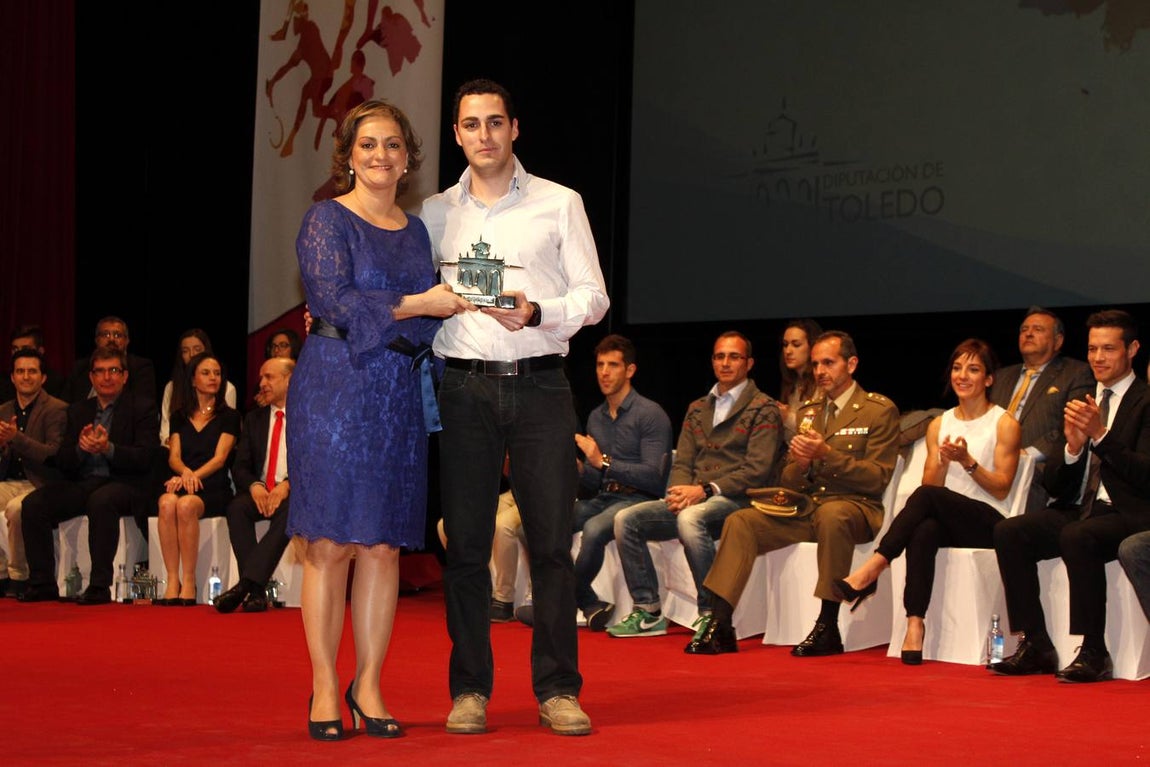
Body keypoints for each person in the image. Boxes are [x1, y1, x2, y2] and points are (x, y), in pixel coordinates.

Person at [419, 78, 609, 736]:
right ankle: (469, 687)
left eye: (495, 123)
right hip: (464, 387)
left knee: (550, 543)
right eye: (471, 125)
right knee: (467, 546)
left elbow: (594, 296)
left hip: (541, 383)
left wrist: (539, 310)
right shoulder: (434, 213)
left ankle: (558, 687)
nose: (484, 136)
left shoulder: (560, 203)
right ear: (456, 134)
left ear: (515, 128)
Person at [287, 99, 471, 741]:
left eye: (393, 145)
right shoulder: (325, 218)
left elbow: (427, 318)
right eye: (368, 144)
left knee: (384, 546)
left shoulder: (417, 231)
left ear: (408, 157)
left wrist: (435, 309)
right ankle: (321, 686)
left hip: (397, 393)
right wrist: (419, 302)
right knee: (331, 543)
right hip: (335, 385)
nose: (381, 156)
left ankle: (368, 684)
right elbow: (331, 299)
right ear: (349, 153)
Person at [692, 330, 900, 656]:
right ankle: (721, 623)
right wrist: (801, 465)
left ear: (852, 364)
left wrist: (826, 454)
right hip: (807, 509)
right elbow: (789, 480)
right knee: (741, 521)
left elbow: (877, 478)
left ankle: (827, 625)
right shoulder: (810, 411)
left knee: (833, 515)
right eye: (816, 364)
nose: (819, 371)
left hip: (855, 508)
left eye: (828, 363)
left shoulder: (878, 410)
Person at [833, 339, 1022, 664]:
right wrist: (943, 462)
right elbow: (931, 485)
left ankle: (874, 568)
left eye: (973, 369)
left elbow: (1003, 488)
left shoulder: (1004, 423)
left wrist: (967, 461)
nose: (963, 376)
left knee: (926, 501)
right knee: (925, 531)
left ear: (989, 379)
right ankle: (914, 624)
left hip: (991, 522)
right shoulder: (940, 423)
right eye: (957, 368)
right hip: (947, 520)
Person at [992, 309, 1150, 683]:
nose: (1097, 358)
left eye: (1108, 349)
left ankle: (1094, 650)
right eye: (1093, 348)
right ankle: (1036, 643)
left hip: (1128, 511)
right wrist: (1074, 449)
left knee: (1078, 536)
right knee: (1010, 532)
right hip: (1081, 507)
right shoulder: (1083, 397)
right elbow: (1057, 487)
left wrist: (1101, 436)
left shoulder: (1145, 401)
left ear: (1132, 350)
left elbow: (1145, 475)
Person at [607, 332, 782, 642]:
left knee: (691, 519)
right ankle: (647, 610)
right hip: (696, 497)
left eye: (734, 357)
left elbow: (758, 470)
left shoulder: (763, 407)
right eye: (719, 356)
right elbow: (683, 461)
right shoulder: (698, 407)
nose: (725, 363)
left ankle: (712, 614)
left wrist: (705, 489)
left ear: (749, 363)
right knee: (626, 520)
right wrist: (677, 493)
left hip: (738, 500)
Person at [17, 347, 159, 605]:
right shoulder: (78, 410)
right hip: (84, 482)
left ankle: (99, 586)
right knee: (33, 504)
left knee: (102, 500)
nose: (107, 377)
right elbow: (63, 462)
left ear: (125, 376)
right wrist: (81, 450)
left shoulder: (142, 407)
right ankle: (42, 583)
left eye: (114, 370)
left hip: (126, 483)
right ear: (92, 377)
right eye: (100, 372)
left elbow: (146, 458)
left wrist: (109, 449)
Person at [571, 333, 673, 631]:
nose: (604, 372)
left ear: (630, 370)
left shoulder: (650, 414)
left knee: (593, 528)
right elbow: (593, 481)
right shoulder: (596, 417)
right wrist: (578, 468)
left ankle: (561, 600)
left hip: (638, 499)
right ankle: (588, 601)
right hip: (604, 498)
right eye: (600, 364)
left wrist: (603, 462)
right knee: (543, 522)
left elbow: (654, 477)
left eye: (613, 365)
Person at [989, 307, 1093, 513]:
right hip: (990, 461)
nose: (1028, 333)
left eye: (1038, 329)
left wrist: (1024, 455)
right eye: (1024, 329)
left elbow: (1069, 425)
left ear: (1058, 341)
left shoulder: (1077, 372)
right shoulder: (1000, 376)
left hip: (1035, 466)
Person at [155, 352, 239, 605]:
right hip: (185, 479)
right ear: (192, 380)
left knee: (186, 504)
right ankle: (172, 579)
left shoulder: (230, 416)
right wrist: (185, 474)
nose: (213, 378)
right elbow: (174, 457)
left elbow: (220, 458)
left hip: (213, 485)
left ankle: (189, 580)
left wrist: (193, 477)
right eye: (206, 373)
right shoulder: (180, 415)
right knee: (166, 502)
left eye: (217, 373)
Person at [216, 357, 296, 614]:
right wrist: (255, 486)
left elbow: (315, 463)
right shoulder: (254, 419)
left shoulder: (308, 416)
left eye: (269, 377)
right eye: (261, 377)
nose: (261, 383)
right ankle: (256, 590)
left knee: (292, 511)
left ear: (289, 379)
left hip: (293, 492)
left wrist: (287, 485)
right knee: (237, 508)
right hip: (261, 491)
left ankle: (245, 586)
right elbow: (240, 466)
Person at [0, 348, 67, 598]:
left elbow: (51, 454)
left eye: (32, 371)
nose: (26, 376)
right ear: (12, 377)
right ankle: (0, 574)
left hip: (39, 483)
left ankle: (19, 576)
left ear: (43, 377)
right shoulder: (4, 410)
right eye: (20, 371)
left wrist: (16, 438)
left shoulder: (56, 409)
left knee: (18, 509)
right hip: (8, 480)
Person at [159, 328, 238, 446]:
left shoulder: (226, 387)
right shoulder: (172, 387)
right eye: (185, 351)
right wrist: (171, 445)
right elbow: (165, 427)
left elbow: (228, 433)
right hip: (175, 451)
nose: (192, 354)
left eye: (197, 349)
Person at [60, 316, 157, 406]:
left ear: (127, 341)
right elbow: (65, 405)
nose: (111, 339)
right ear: (97, 340)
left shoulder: (140, 367)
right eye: (106, 335)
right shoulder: (81, 367)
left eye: (117, 335)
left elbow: (143, 406)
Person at [778, 319, 823, 444]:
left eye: (796, 344)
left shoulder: (822, 383)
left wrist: (786, 417)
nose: (788, 351)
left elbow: (817, 433)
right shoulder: (793, 383)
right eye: (785, 344)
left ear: (812, 347)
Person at [0, 324, 65, 402]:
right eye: (15, 349)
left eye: (26, 349)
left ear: (40, 351)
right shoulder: (3, 382)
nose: (19, 353)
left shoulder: (55, 382)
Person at [255, 328, 303, 407]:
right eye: (273, 346)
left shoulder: (305, 379)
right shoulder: (263, 384)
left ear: (295, 348)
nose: (276, 350)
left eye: (283, 345)